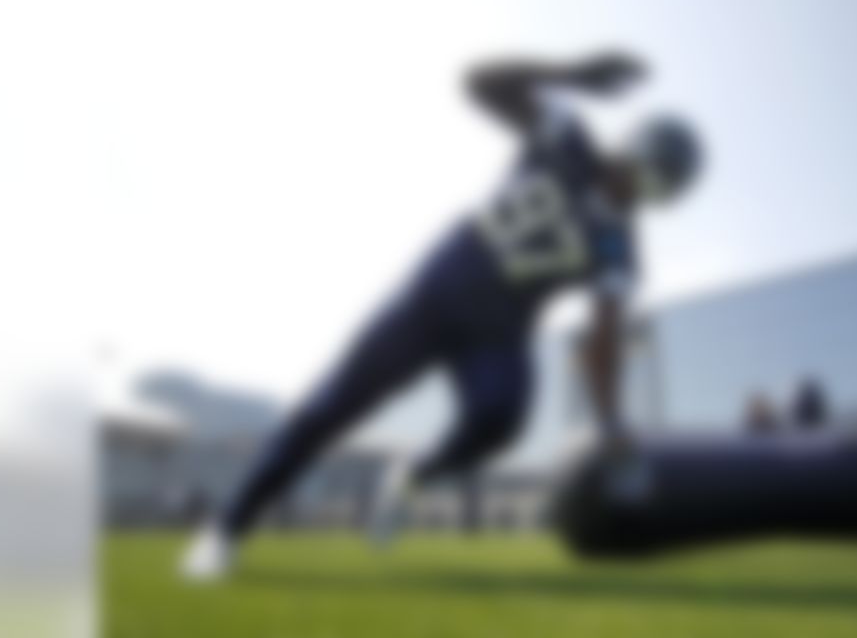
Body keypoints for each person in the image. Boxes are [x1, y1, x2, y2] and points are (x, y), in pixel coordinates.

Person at [180, 51, 703, 581]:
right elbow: (476, 84)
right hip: (434, 295)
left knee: (501, 418)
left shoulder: (620, 246)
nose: (635, 190)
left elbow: (603, 341)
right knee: (328, 408)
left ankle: (414, 475)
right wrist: (565, 73)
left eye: (657, 186)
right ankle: (225, 528)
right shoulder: (565, 135)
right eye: (646, 172)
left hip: (498, 331)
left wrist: (611, 422)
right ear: (633, 145)